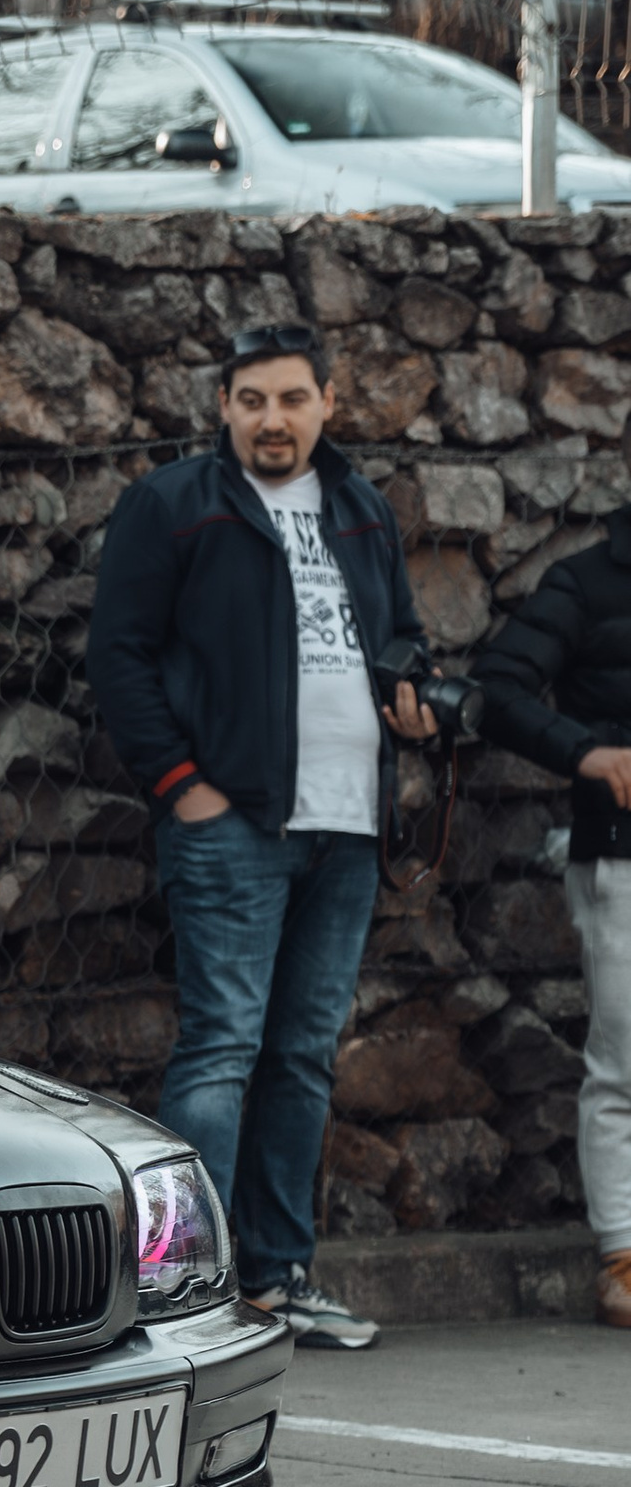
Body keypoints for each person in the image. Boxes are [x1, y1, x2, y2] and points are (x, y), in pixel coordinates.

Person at [86, 320, 440, 1351]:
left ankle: (279, 1279)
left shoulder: (361, 507)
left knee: (301, 1058)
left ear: (327, 401)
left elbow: (401, 634)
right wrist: (179, 785)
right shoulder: (173, 505)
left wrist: (409, 691)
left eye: (290, 399)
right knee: (220, 1051)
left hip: (347, 823)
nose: (271, 419)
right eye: (251, 401)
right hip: (231, 819)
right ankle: (188, 1290)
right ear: (225, 409)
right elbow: (119, 656)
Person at [471, 529, 631, 1332]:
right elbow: (495, 687)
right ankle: (624, 1260)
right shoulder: (585, 581)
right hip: (623, 861)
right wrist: (588, 754)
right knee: (626, 1069)